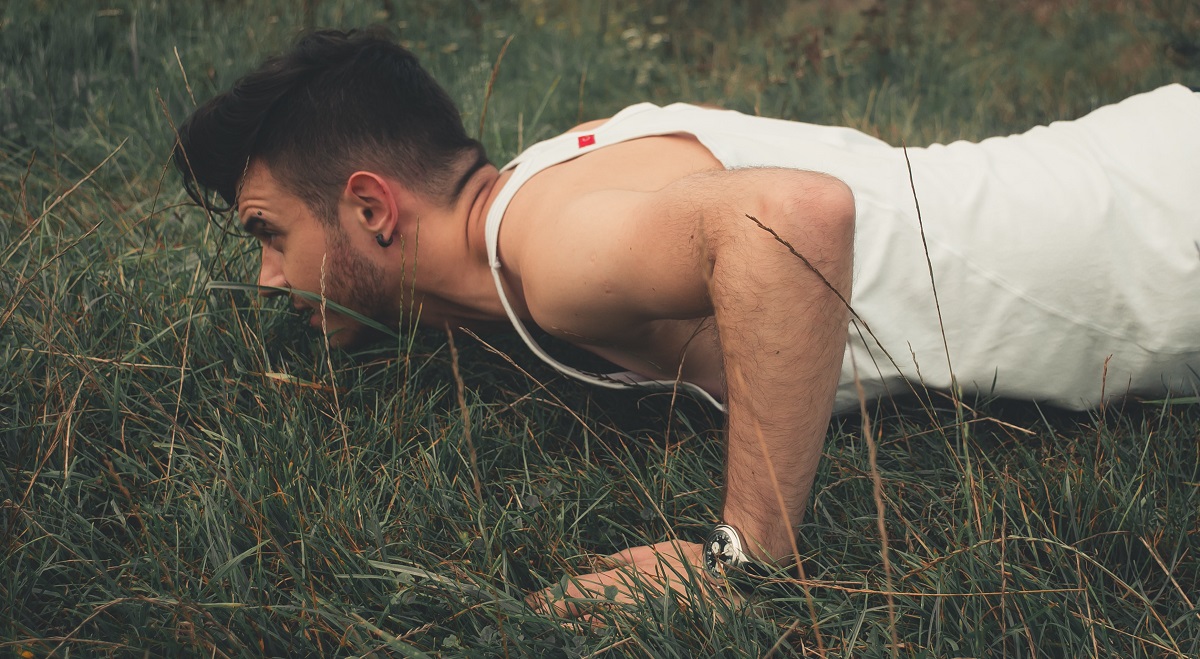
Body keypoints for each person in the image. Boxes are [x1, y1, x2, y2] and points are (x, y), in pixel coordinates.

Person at [174, 29, 1200, 616]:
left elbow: (791, 218)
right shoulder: (543, 198)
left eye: (269, 233)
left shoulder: (553, 245)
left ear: (369, 207)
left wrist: (739, 553)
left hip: (1170, 241)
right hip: (1136, 168)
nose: (269, 279)